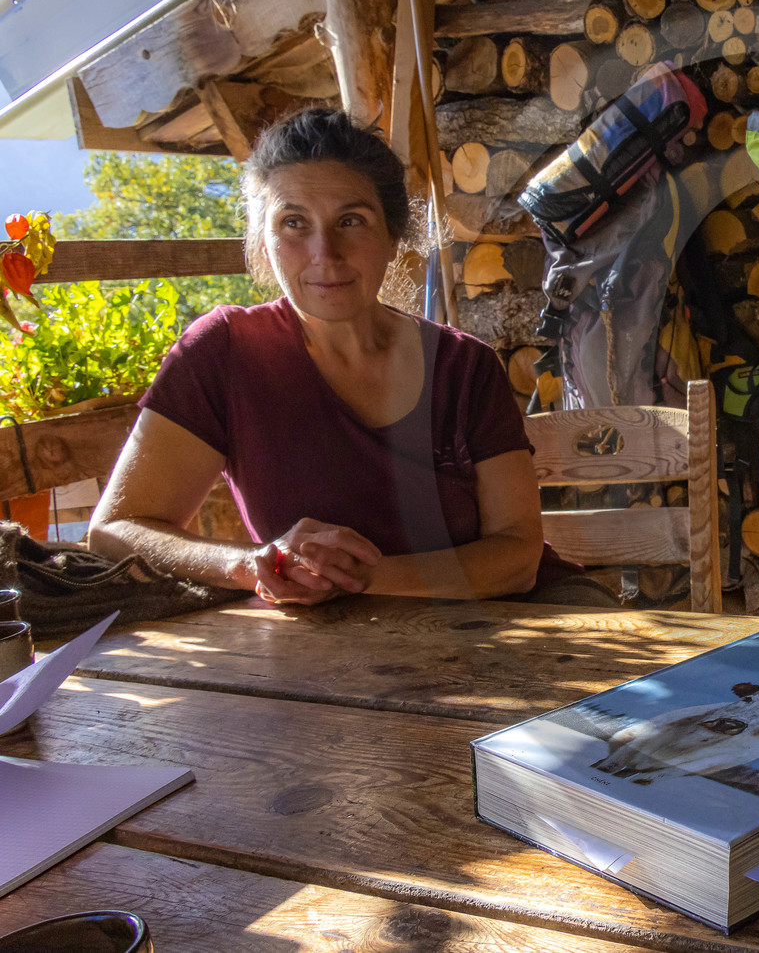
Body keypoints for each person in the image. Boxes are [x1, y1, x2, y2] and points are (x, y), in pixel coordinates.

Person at [89, 108, 598, 607]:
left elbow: (517, 559)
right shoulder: (225, 353)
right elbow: (116, 529)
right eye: (293, 223)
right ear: (263, 244)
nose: (324, 254)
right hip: (349, 653)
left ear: (393, 238)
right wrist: (250, 564)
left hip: (526, 620)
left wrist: (358, 577)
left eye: (351, 220)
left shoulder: (464, 367)